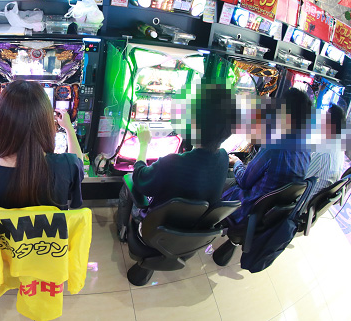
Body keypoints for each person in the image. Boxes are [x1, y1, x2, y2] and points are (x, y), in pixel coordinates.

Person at [128, 83, 236, 219]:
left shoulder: (171, 163)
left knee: (128, 184)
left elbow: (140, 179)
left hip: (160, 225)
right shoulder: (224, 157)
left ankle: (125, 228)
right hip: (197, 225)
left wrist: (144, 143)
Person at [0, 80, 84, 210]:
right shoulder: (66, 165)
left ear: (0, 123)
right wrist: (69, 128)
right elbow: (78, 164)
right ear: (46, 122)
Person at [223, 88, 313, 224]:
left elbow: (244, 182)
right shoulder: (306, 148)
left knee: (216, 182)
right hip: (270, 216)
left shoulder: (274, 146)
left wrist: (236, 162)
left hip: (247, 208)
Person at [305, 104, 346, 197]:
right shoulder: (339, 149)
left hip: (300, 200)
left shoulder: (323, 153)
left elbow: (299, 180)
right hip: (315, 199)